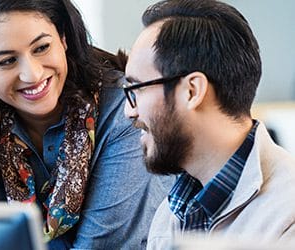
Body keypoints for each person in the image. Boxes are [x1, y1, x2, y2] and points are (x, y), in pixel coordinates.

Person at [0, 0, 171, 249]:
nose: (33, 74)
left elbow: (100, 246)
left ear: (63, 39)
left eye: (41, 47)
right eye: (7, 61)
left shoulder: (125, 110)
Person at [122, 0, 295, 249]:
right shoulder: (171, 212)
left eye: (136, 89)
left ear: (192, 91)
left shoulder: (286, 216)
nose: (130, 111)